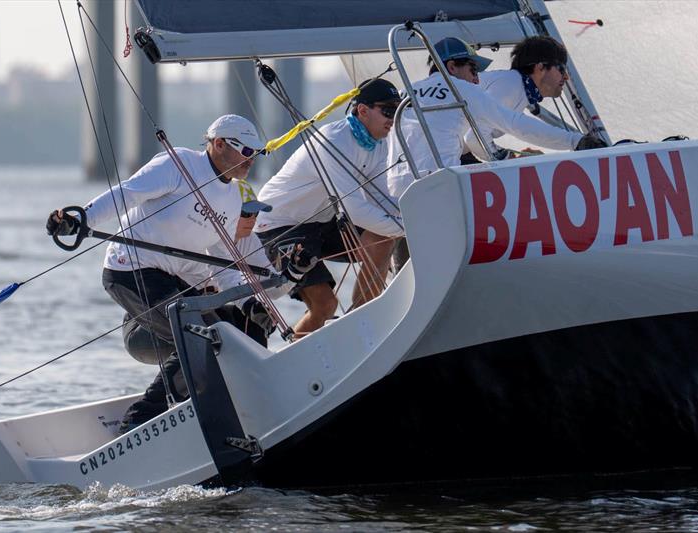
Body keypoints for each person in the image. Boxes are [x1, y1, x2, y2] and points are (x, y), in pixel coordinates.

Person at [46, 114, 283, 431]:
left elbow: (224, 265)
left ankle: (252, 408)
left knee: (245, 329)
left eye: (257, 153)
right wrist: (82, 219)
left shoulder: (232, 198)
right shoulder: (179, 163)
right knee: (196, 335)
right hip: (131, 271)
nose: (251, 160)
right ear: (219, 144)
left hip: (175, 283)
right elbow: (126, 193)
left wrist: (248, 303)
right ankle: (141, 419)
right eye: (247, 152)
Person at [255, 78, 405, 338]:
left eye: (398, 110)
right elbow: (355, 209)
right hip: (280, 224)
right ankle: (296, 355)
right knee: (325, 305)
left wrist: (412, 218)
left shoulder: (379, 145)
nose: (393, 119)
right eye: (388, 111)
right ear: (362, 111)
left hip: (321, 222)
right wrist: (406, 227)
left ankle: (362, 325)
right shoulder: (334, 139)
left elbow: (382, 199)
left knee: (383, 237)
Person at [386, 37, 606, 199]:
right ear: (451, 67)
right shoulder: (501, 84)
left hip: (396, 183)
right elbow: (479, 137)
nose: (476, 79)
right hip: (436, 182)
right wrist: (576, 141)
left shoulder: (409, 90)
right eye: (473, 69)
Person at [473, 35, 586, 159]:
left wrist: (576, 141)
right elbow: (474, 137)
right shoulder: (511, 84)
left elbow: (525, 129)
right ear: (540, 67)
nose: (566, 77)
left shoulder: (515, 87)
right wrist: (512, 160)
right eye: (561, 69)